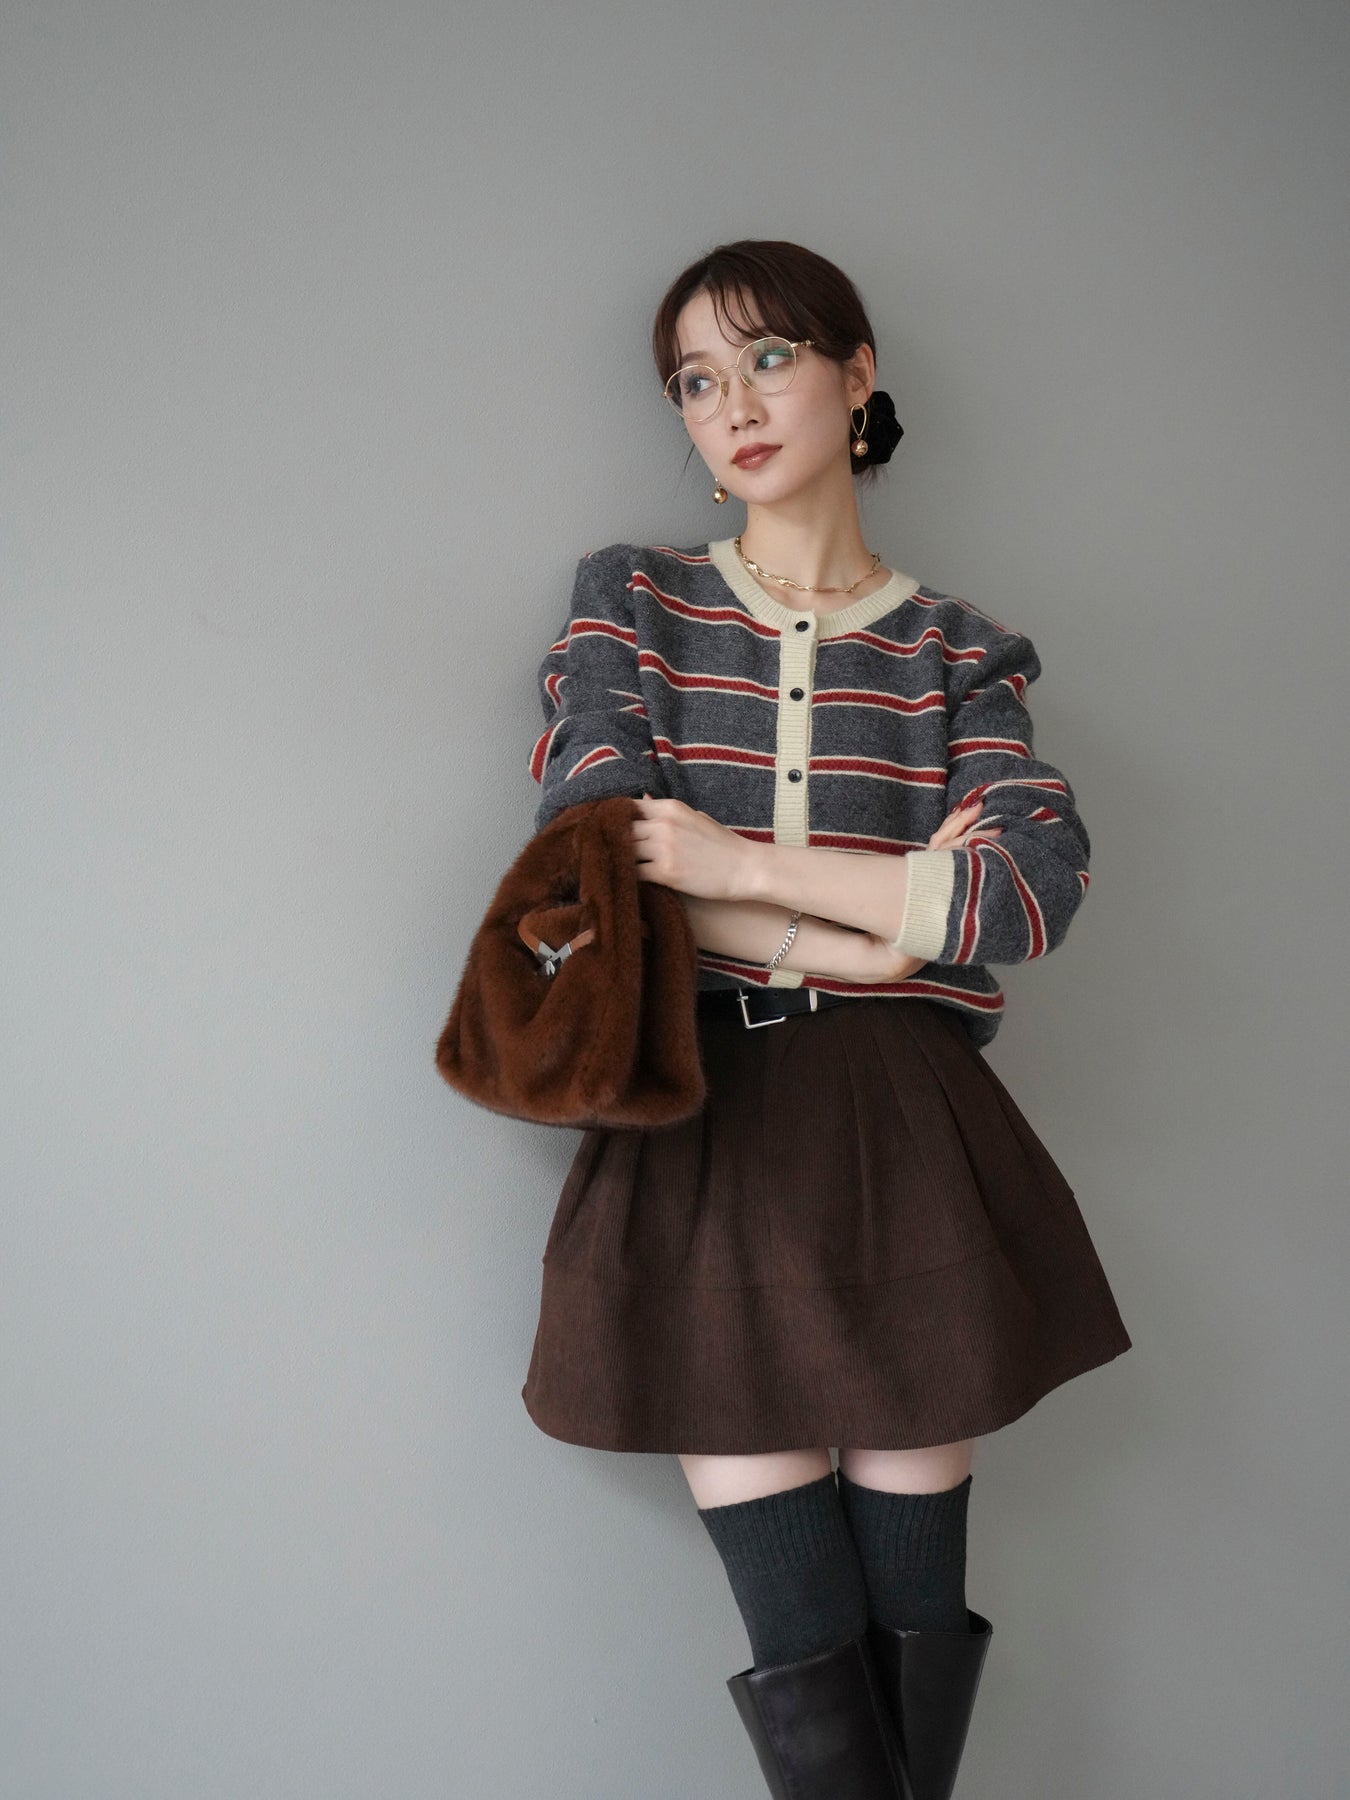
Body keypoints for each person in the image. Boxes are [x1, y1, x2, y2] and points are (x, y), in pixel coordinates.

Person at [518, 239, 1132, 1799]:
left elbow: (1026, 898)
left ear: (858, 376)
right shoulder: (632, 602)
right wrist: (879, 924)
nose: (731, 404)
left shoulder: (961, 652)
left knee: (913, 1616)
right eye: (695, 380)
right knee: (801, 1630)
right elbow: (599, 869)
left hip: (903, 1137)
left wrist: (737, 871)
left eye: (769, 358)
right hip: (701, 1124)